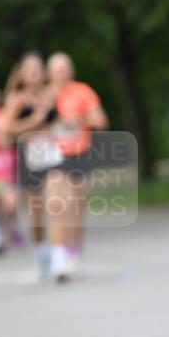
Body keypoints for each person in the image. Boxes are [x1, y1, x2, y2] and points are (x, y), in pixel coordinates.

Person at [44, 52, 108, 281]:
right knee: (57, 205)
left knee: (74, 207)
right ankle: (59, 259)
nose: (60, 73)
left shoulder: (82, 91)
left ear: (71, 71)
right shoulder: (43, 95)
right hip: (52, 155)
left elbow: (101, 121)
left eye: (64, 69)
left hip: (78, 153)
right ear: (48, 72)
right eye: (56, 69)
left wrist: (79, 120)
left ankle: (74, 251)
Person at [1, 52, 58, 278]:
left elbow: (60, 121)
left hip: (53, 153)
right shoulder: (16, 98)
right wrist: (34, 121)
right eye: (30, 70)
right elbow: (7, 129)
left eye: (38, 69)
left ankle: (60, 251)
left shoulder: (51, 94)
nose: (34, 74)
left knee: (57, 202)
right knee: (36, 211)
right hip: (29, 157)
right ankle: (42, 250)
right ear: (22, 74)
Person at [0, 86, 20, 253]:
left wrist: (1, 138)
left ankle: (10, 229)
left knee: (10, 204)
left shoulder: (4, 116)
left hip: (5, 168)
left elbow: (8, 138)